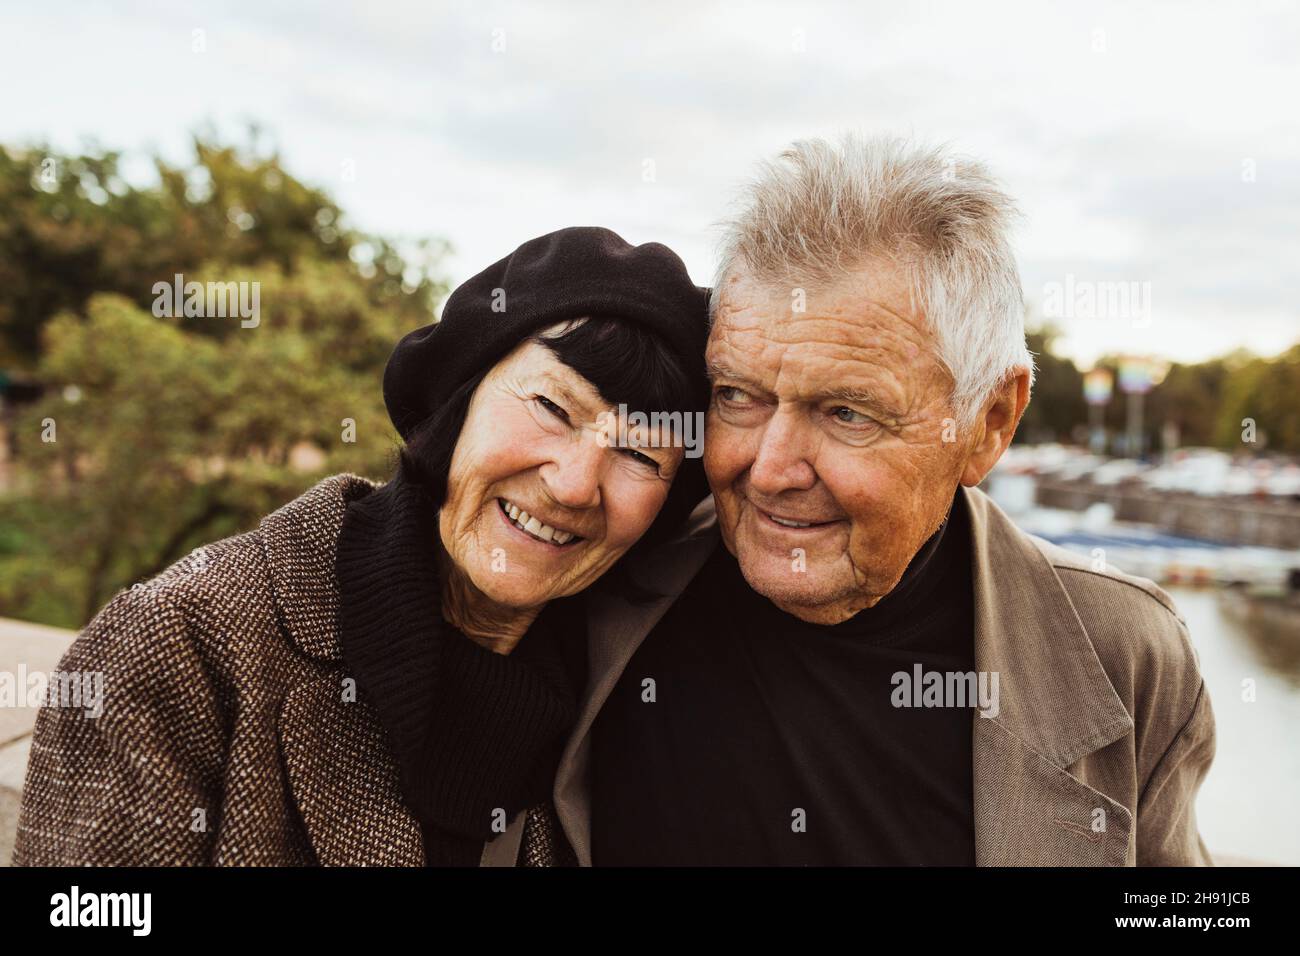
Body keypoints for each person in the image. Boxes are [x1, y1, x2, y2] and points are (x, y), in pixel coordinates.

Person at [552, 136, 1217, 866]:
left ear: (989, 424)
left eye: (847, 413)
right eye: (738, 396)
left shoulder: (1127, 657)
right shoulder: (598, 571)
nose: (769, 471)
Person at [13, 226, 711, 866]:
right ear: (460, 399)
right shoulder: (183, 643)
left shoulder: (622, 708)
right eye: (552, 408)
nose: (574, 485)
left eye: (640, 454)